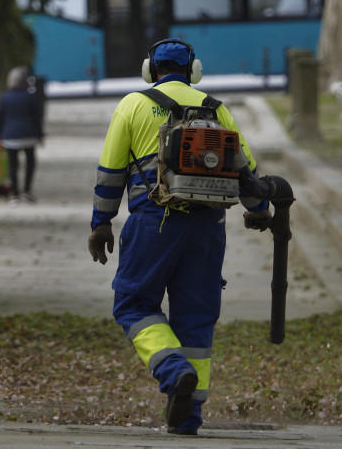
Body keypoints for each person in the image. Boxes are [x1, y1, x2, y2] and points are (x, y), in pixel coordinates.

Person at [88, 39, 272, 435]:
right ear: (194, 71)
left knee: (134, 304)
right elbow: (248, 172)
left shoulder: (133, 105)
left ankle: (173, 371)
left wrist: (101, 223)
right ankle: (188, 418)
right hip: (208, 229)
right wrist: (260, 212)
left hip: (153, 223)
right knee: (196, 318)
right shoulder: (217, 109)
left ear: (149, 70)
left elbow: (110, 172)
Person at [0, 66, 44, 205]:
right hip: (29, 135)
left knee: (13, 165)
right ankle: (27, 191)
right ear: (25, 81)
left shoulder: (5, 97)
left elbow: (0, 119)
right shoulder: (31, 96)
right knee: (30, 162)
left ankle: (14, 194)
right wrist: (40, 135)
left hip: (10, 136)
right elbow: (37, 117)